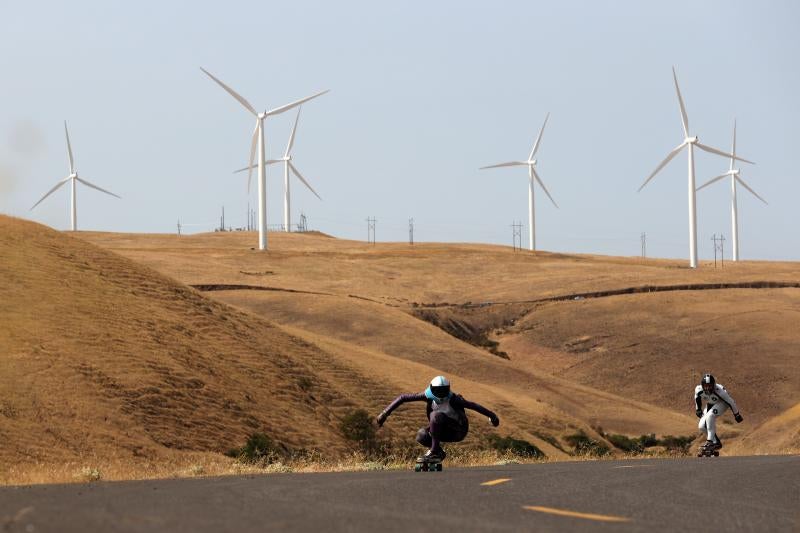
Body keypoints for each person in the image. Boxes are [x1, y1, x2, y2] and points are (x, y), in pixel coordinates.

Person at [375, 376, 500, 462]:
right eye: (437, 391)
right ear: (431, 389)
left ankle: (433, 451)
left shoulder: (454, 399)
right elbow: (403, 398)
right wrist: (384, 414)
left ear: (448, 389)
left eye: (443, 391)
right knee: (421, 435)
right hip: (441, 430)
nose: (440, 394)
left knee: (436, 415)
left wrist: (493, 417)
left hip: (458, 431)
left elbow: (474, 406)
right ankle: (438, 452)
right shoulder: (427, 396)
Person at [695, 373, 743, 450]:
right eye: (706, 386)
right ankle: (715, 443)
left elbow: (731, 402)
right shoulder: (698, 389)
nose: (707, 388)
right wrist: (698, 409)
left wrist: (736, 414)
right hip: (710, 404)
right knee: (701, 426)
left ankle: (709, 441)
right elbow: (697, 399)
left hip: (722, 403)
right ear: (702, 386)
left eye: (709, 386)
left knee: (710, 416)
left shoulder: (720, 391)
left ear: (714, 385)